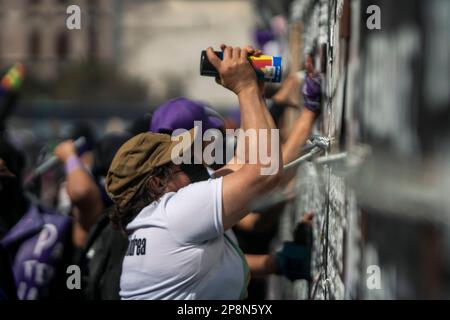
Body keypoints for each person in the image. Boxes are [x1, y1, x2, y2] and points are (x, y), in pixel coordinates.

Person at [106, 45, 283, 299]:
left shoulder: (155, 219)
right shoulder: (173, 215)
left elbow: (244, 161)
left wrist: (255, 91)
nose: (194, 162)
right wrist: (245, 88)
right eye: (180, 161)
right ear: (157, 183)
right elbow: (265, 171)